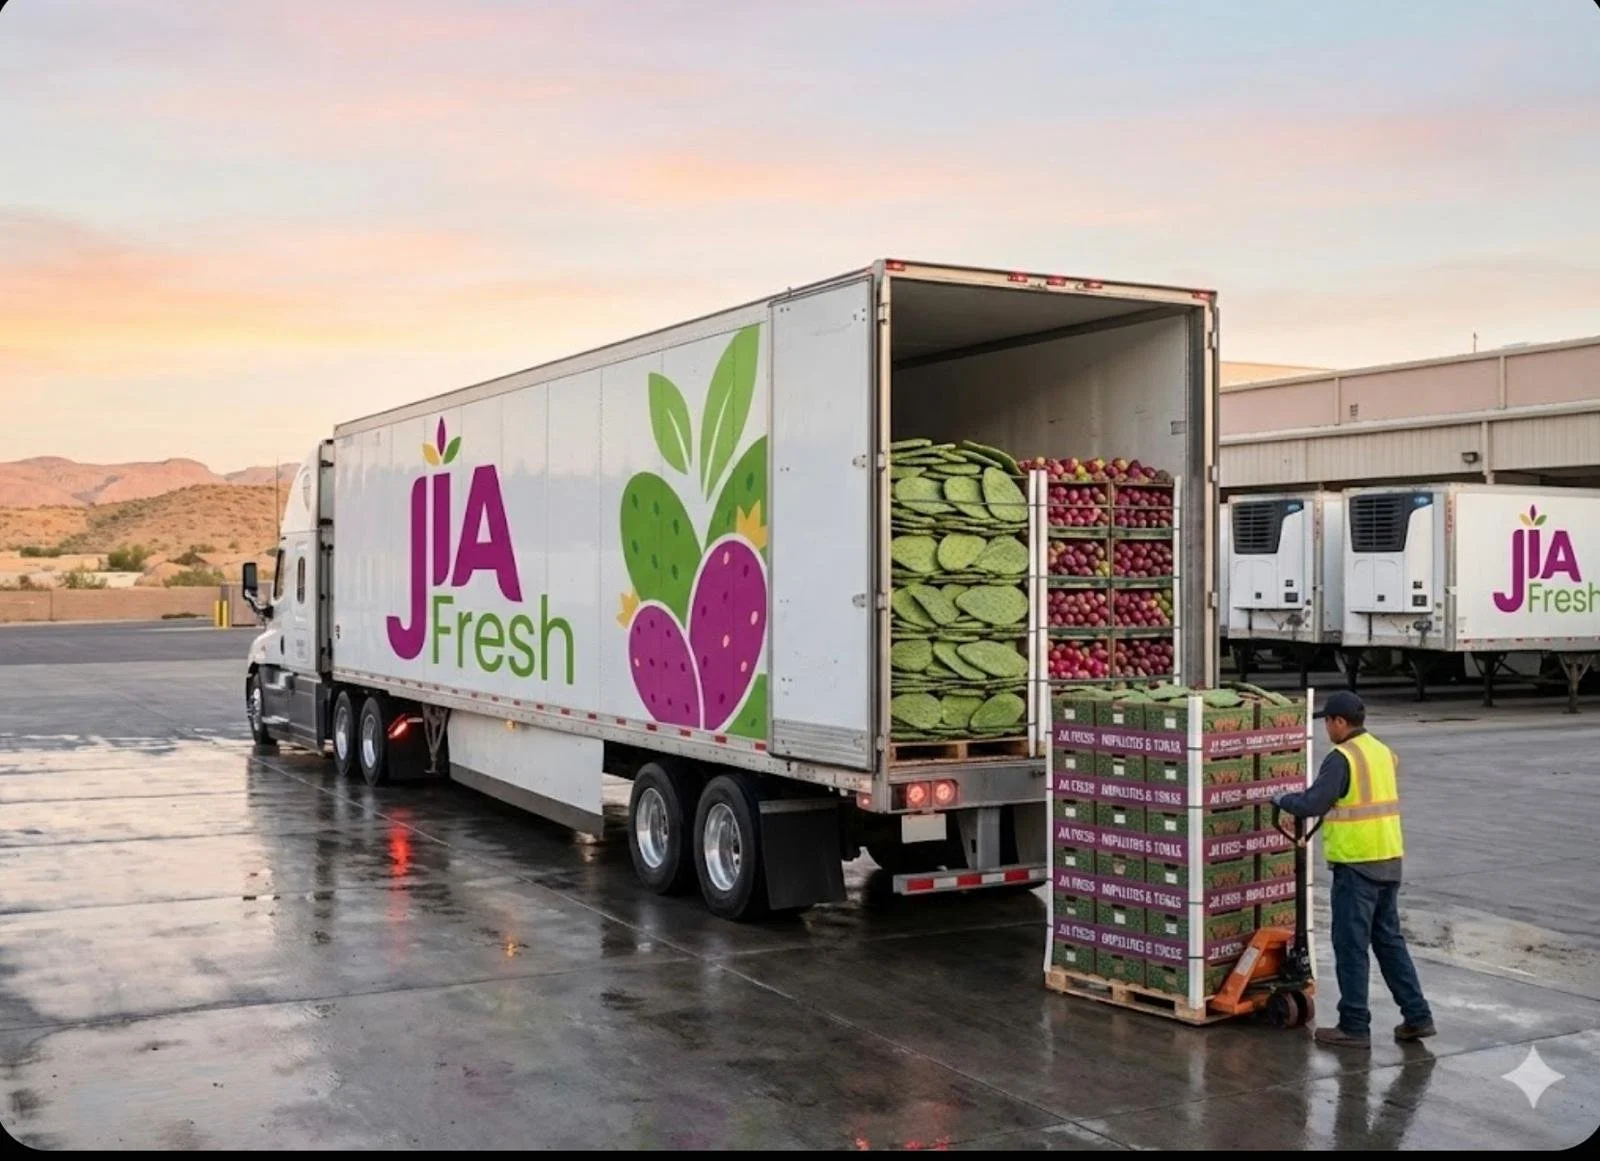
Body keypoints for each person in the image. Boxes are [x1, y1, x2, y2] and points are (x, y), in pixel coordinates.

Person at [1273, 690, 1435, 1049]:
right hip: (1389, 861)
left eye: (1328, 722)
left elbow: (1314, 802)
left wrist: (1283, 800)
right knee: (1389, 942)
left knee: (1350, 945)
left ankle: (1354, 1024)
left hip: (1357, 866)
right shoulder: (1381, 751)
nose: (1326, 729)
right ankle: (1417, 1015)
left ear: (1339, 722)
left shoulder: (1342, 757)